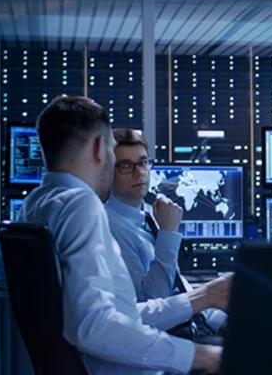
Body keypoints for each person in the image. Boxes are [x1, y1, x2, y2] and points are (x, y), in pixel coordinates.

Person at [19, 95, 228, 374]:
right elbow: (94, 326)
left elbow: (120, 315)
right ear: (97, 147)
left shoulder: (34, 204)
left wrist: (204, 299)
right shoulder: (81, 206)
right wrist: (202, 356)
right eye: (112, 150)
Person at [105, 128, 227, 334]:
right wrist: (168, 233)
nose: (139, 172)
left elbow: (177, 285)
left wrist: (219, 320)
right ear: (107, 173)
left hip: (193, 327)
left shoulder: (148, 214)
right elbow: (152, 303)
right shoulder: (111, 228)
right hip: (162, 340)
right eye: (126, 166)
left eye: (143, 162)